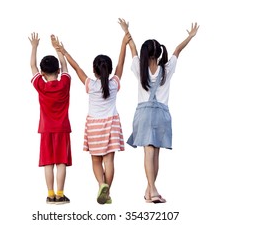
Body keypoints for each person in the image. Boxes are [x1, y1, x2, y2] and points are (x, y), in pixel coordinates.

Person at [120, 18, 200, 203]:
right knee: (155, 153)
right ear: (158, 52)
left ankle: (151, 190)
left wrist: (126, 30)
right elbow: (178, 50)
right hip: (162, 114)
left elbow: (132, 47)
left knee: (148, 152)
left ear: (145, 53)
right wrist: (190, 36)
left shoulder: (139, 69)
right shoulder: (167, 68)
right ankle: (152, 191)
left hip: (144, 114)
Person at [53, 21, 131, 204]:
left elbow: (76, 68)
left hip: (94, 126)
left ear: (94, 70)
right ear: (109, 70)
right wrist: (123, 43)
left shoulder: (90, 84)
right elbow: (121, 63)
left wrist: (64, 52)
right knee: (109, 160)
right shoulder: (115, 83)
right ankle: (106, 191)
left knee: (96, 161)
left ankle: (101, 185)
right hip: (111, 124)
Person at [29, 32, 72, 205]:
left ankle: (50, 194)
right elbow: (65, 67)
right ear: (58, 71)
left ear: (42, 73)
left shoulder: (40, 85)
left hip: (46, 129)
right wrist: (58, 48)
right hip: (62, 128)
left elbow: (31, 65)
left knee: (48, 162)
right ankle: (61, 195)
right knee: (61, 161)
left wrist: (34, 47)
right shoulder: (65, 84)